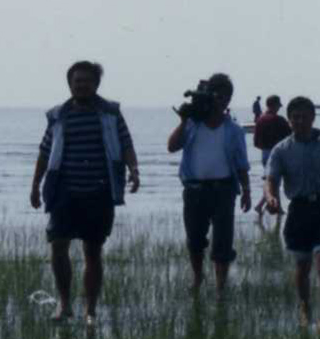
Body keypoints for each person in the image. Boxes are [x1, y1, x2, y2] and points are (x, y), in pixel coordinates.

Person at [30, 61, 141, 325]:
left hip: (99, 192)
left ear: (96, 84)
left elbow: (126, 144)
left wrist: (134, 170)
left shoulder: (111, 113)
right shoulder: (58, 115)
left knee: (92, 251)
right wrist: (35, 185)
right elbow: (45, 152)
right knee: (58, 246)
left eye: (87, 81)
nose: (81, 85)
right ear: (70, 84)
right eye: (77, 81)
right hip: (64, 192)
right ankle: (64, 304)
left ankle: (90, 310)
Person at [264, 96, 320, 332]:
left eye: (305, 117)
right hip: (299, 210)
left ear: (313, 118)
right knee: (302, 266)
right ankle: (304, 307)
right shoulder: (281, 150)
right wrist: (271, 197)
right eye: (295, 117)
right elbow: (271, 179)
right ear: (289, 120)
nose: (300, 121)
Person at [166, 72, 252, 298]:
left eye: (226, 97)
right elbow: (172, 146)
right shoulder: (192, 124)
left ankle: (220, 287)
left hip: (224, 190)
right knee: (195, 239)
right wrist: (183, 121)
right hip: (194, 189)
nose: (222, 101)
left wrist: (246, 191)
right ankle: (197, 277)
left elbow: (241, 163)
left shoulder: (234, 130)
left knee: (223, 241)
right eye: (218, 96)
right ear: (208, 95)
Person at [251, 95, 292, 219]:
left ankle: (274, 207)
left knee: (272, 182)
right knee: (274, 182)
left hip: (264, 153)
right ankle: (264, 206)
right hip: (276, 153)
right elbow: (290, 136)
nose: (279, 108)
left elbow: (256, 142)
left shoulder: (260, 120)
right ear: (274, 105)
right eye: (278, 105)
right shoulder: (279, 120)